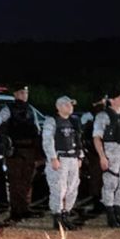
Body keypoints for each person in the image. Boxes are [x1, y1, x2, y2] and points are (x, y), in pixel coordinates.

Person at [0, 84, 44, 222]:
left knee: (27, 180)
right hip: (15, 151)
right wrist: (6, 151)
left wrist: (39, 153)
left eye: (26, 93)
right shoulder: (7, 110)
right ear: (15, 94)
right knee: (15, 181)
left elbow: (36, 131)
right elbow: (2, 132)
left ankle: (25, 208)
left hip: (29, 150)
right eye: (22, 93)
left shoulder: (30, 109)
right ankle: (15, 210)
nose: (24, 95)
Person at [92, 91, 120, 228]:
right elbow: (97, 137)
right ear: (111, 100)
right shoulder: (103, 116)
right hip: (111, 150)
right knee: (110, 183)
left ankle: (118, 213)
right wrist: (102, 156)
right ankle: (111, 215)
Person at [43, 96, 84, 231]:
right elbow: (48, 140)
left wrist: (80, 157)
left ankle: (66, 214)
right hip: (60, 158)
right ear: (59, 107)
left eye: (71, 105)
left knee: (72, 188)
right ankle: (58, 217)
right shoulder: (52, 121)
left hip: (72, 158)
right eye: (67, 105)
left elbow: (78, 139)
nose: (70, 107)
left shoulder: (73, 121)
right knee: (58, 188)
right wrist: (52, 158)